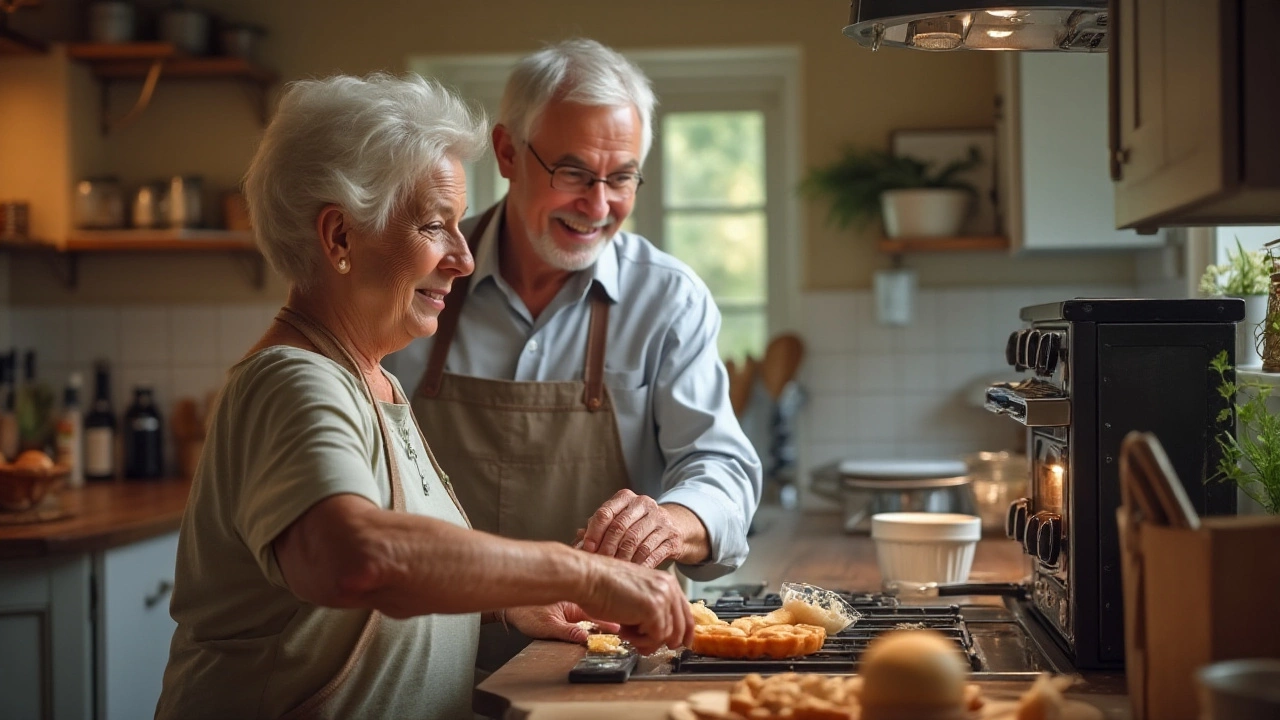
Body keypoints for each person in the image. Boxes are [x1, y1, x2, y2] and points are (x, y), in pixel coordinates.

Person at [154, 73, 693, 720]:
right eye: (437, 226)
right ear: (340, 238)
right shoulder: (293, 382)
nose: (464, 259)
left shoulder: (373, 381)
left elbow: (379, 587)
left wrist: (502, 604)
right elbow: (355, 559)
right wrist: (584, 574)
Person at [389, 37, 762, 671]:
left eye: (620, 178)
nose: (597, 205)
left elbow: (721, 466)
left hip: (604, 669)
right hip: (422, 660)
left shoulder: (668, 299)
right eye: (573, 173)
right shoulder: (418, 278)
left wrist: (671, 521)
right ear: (507, 152)